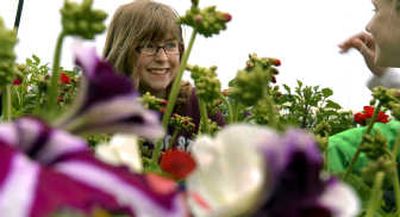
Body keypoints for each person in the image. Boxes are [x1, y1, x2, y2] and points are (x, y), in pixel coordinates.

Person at [103, 0, 224, 153]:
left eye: (170, 45)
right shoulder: (102, 107)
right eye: (149, 46)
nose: (162, 58)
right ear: (123, 50)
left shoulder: (198, 105)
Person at [328, 0, 400, 173]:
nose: (369, 27)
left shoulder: (336, 150)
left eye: (376, 10)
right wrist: (383, 72)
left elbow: (336, 151)